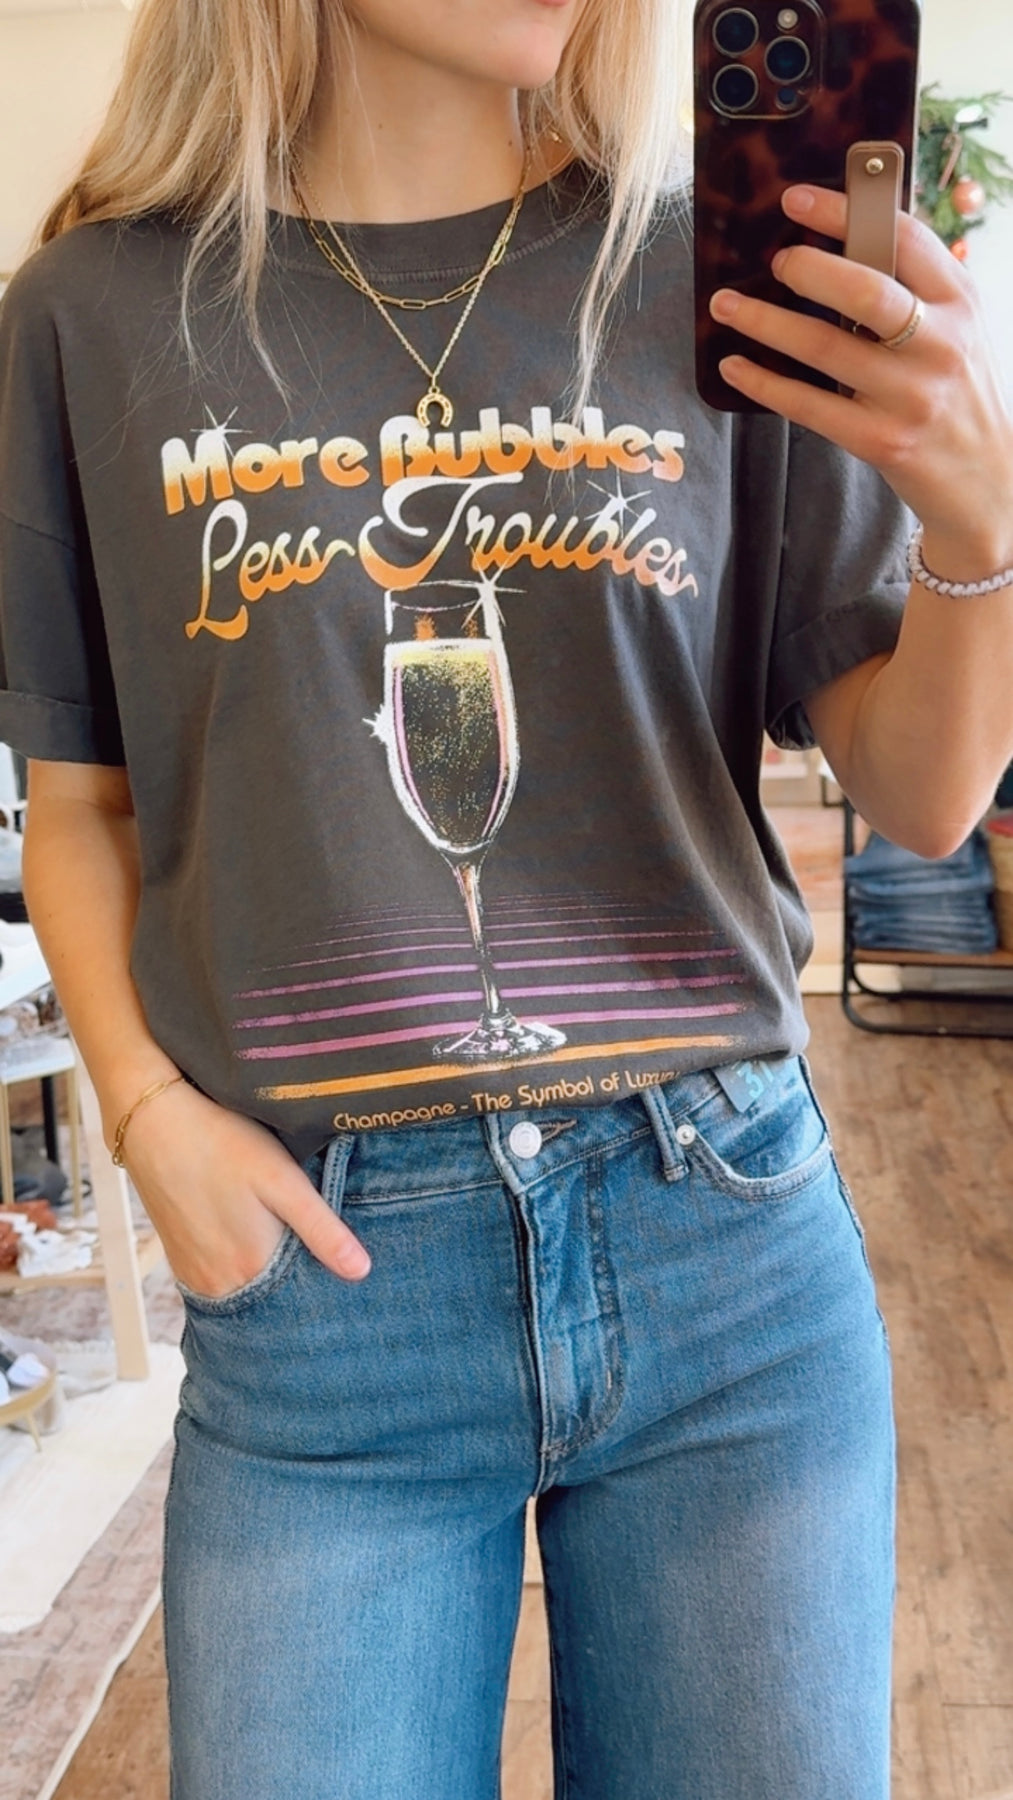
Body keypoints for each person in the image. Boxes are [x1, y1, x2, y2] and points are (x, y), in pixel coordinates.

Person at [1, 2, 1011, 1795]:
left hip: (725, 1259)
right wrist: (146, 1119)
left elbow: (923, 800)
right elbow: (81, 798)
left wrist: (979, 524)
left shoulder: (711, 272)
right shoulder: (92, 314)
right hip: (327, 1303)